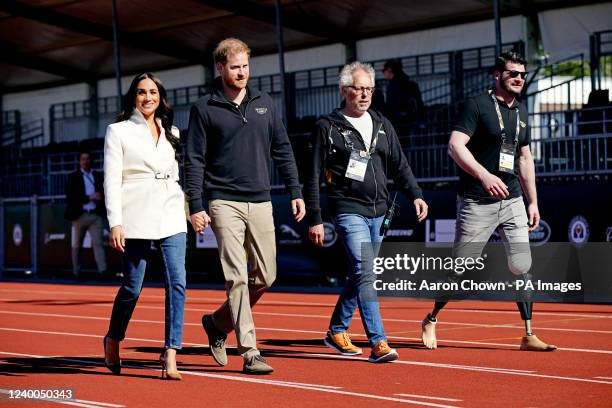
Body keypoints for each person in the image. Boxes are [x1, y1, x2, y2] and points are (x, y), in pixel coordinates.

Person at [420, 51, 557, 352]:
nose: (519, 78)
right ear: (497, 75)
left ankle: (528, 333)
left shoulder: (521, 112)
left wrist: (533, 202)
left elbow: (524, 158)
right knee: (460, 267)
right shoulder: (477, 105)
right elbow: (455, 146)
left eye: (522, 74)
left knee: (522, 264)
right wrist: (484, 176)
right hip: (477, 200)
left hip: (512, 199)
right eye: (513, 73)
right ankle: (431, 318)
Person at [184, 38, 305, 375]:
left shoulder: (264, 103)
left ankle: (217, 323)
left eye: (245, 66)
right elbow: (193, 160)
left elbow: (282, 147)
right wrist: (196, 204)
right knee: (236, 276)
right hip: (223, 201)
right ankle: (250, 351)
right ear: (220, 68)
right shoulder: (204, 107)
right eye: (235, 67)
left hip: (262, 199)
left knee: (267, 274)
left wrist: (295, 190)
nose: (241, 73)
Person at [304, 61, 428, 363]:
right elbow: (313, 175)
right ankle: (379, 341)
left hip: (379, 209)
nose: (365, 95)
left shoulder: (382, 123)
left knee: (360, 273)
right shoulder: (327, 126)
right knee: (365, 270)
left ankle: (337, 330)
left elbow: (399, 164)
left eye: (370, 89)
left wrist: (416, 194)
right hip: (347, 208)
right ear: (344, 90)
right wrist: (315, 217)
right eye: (359, 89)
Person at [102, 73, 188, 380]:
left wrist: (192, 210)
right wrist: (116, 223)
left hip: (171, 211)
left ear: (161, 96)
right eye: (141, 92)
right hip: (134, 213)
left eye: (153, 92)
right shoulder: (118, 131)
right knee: (132, 287)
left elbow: (180, 175)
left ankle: (171, 353)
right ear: (133, 97)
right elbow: (111, 179)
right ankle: (113, 338)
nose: (147, 97)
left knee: (177, 282)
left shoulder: (173, 131)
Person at [64, 150, 107, 280]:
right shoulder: (73, 176)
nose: (85, 161)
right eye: (83, 159)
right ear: (79, 161)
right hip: (80, 215)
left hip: (95, 215)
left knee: (98, 243)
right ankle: (76, 271)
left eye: (87, 159)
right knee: (77, 244)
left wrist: (100, 197)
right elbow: (71, 196)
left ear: (91, 161)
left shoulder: (98, 176)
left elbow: (106, 192)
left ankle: (103, 271)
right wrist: (89, 197)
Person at [382, 59, 424, 126]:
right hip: (412, 116)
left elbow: (392, 104)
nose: (383, 73)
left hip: (400, 119)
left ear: (389, 70)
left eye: (384, 71)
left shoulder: (393, 86)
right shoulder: (410, 83)